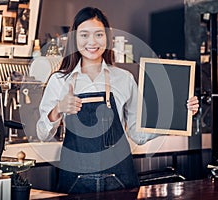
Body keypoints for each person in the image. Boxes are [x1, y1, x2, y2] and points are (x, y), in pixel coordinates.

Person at [36, 7, 199, 194]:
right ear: (74, 39)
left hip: (120, 181)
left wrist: (180, 113)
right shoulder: (59, 80)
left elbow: (138, 133)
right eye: (84, 35)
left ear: (107, 38)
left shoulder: (124, 78)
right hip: (75, 182)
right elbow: (42, 134)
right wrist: (58, 109)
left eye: (98, 34)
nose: (92, 42)